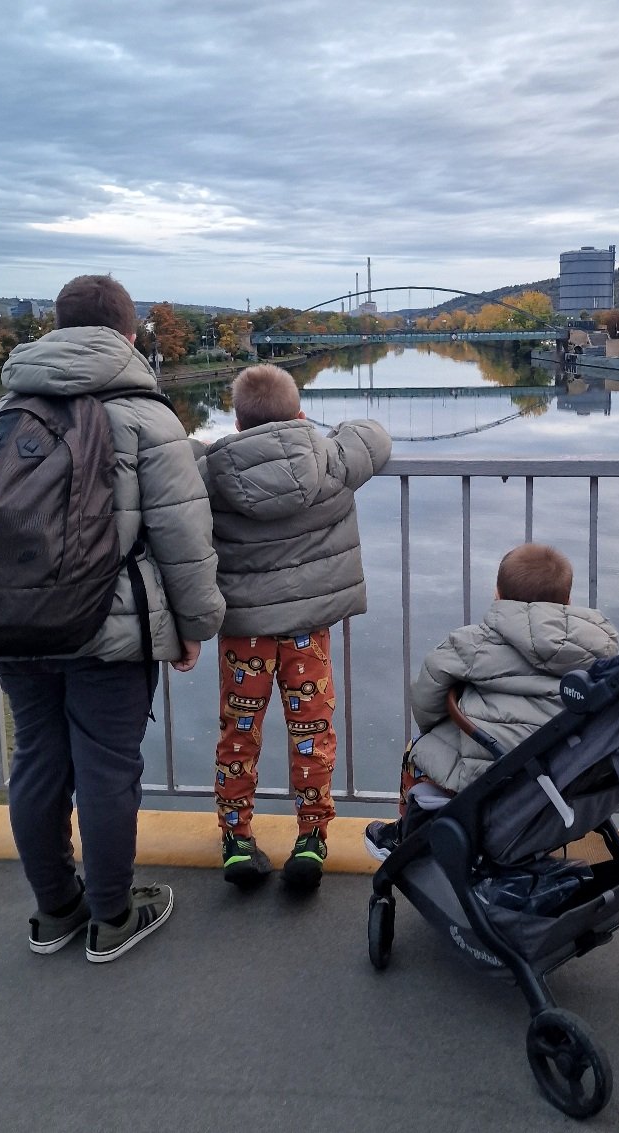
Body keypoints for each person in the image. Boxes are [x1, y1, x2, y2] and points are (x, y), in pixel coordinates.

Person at [0, 275, 225, 963]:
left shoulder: (10, 404)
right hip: (107, 624)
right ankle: (113, 913)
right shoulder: (147, 417)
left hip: (13, 621)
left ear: (56, 328)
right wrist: (195, 627)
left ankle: (54, 908)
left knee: (36, 760)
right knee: (105, 766)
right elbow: (184, 539)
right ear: (130, 335)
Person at [202, 364, 392, 890]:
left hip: (245, 633)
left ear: (237, 423)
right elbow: (372, 435)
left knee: (239, 733)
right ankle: (311, 836)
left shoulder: (215, 469)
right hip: (307, 630)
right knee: (311, 730)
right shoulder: (328, 457)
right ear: (300, 411)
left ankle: (236, 840)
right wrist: (310, 431)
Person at [364, 542, 619, 860]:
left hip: (484, 774)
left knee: (417, 750)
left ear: (497, 595)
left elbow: (427, 700)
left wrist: (442, 728)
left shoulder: (471, 643)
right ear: (567, 601)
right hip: (564, 776)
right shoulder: (600, 650)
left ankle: (408, 833)